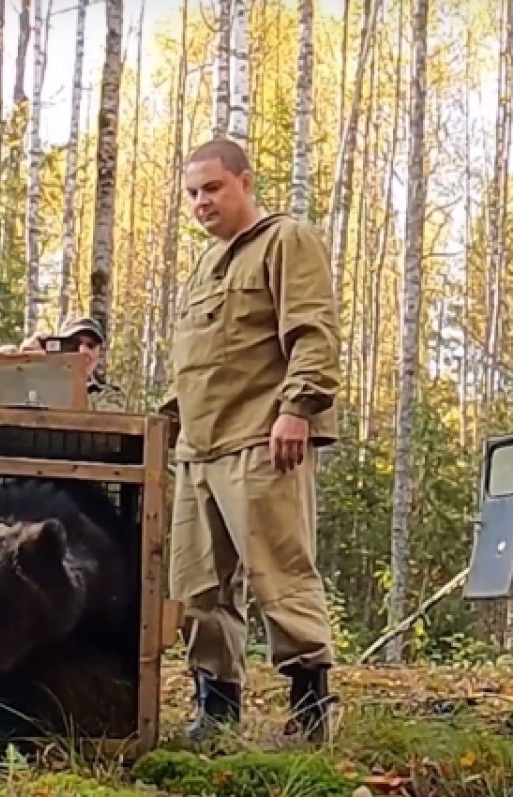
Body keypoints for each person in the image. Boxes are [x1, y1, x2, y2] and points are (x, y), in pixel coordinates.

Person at [159, 139, 342, 744]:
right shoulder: (205, 265)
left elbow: (314, 332)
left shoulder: (285, 240)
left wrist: (298, 409)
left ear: (244, 181)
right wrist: (164, 426)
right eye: (191, 193)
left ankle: (310, 712)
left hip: (263, 442)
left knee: (280, 577)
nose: (200, 202)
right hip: (199, 451)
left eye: (212, 187)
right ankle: (216, 712)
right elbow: (195, 362)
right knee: (196, 590)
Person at [21, 315, 127, 412]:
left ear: (98, 353)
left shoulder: (110, 396)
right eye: (73, 344)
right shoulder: (39, 382)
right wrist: (24, 361)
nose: (83, 351)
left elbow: (100, 420)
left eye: (90, 345)